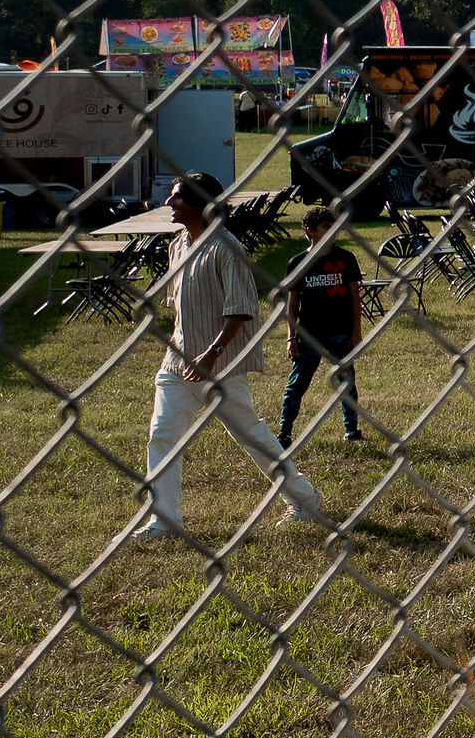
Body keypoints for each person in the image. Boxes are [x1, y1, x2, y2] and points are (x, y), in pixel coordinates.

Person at [136, 173, 326, 541]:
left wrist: (212, 354)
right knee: (162, 435)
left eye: (177, 199)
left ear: (201, 204)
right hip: (178, 362)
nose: (169, 205)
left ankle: (304, 498)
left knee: (251, 436)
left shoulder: (226, 247)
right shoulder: (178, 245)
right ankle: (164, 519)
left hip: (219, 366)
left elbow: (240, 309)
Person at [276, 205, 366, 449]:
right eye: (326, 226)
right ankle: (284, 432)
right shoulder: (298, 263)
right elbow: (292, 305)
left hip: (341, 332)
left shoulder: (345, 258)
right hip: (309, 335)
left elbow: (355, 298)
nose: (333, 230)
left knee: (346, 382)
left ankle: (352, 430)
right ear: (310, 231)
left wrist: (356, 332)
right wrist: (291, 338)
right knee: (296, 385)